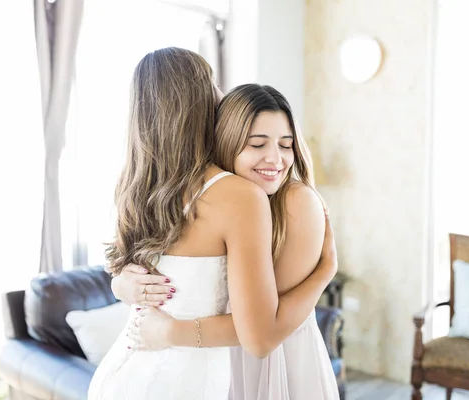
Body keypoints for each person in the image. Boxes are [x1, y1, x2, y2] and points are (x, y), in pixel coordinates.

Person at [88, 47, 336, 400]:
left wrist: (120, 286)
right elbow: (261, 334)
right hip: (191, 380)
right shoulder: (237, 195)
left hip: (125, 376)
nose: (221, 94)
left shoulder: (137, 189)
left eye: (285, 144)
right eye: (211, 83)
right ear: (197, 102)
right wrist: (326, 271)